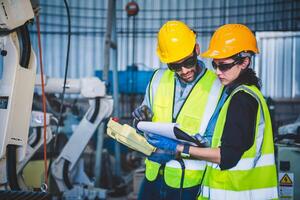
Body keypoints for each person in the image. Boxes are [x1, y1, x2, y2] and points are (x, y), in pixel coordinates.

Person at [146, 24, 279, 200]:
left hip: (235, 190)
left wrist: (178, 147)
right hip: (231, 188)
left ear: (245, 62)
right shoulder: (241, 93)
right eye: (215, 65)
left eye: (223, 66)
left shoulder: (242, 99)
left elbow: (227, 156)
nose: (217, 72)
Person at [132, 21, 222, 200]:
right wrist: (141, 118)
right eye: (175, 66)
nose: (184, 70)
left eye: (189, 62)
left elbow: (218, 144)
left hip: (189, 183)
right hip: (154, 176)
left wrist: (178, 149)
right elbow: (144, 122)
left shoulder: (217, 86)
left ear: (197, 49)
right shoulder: (157, 79)